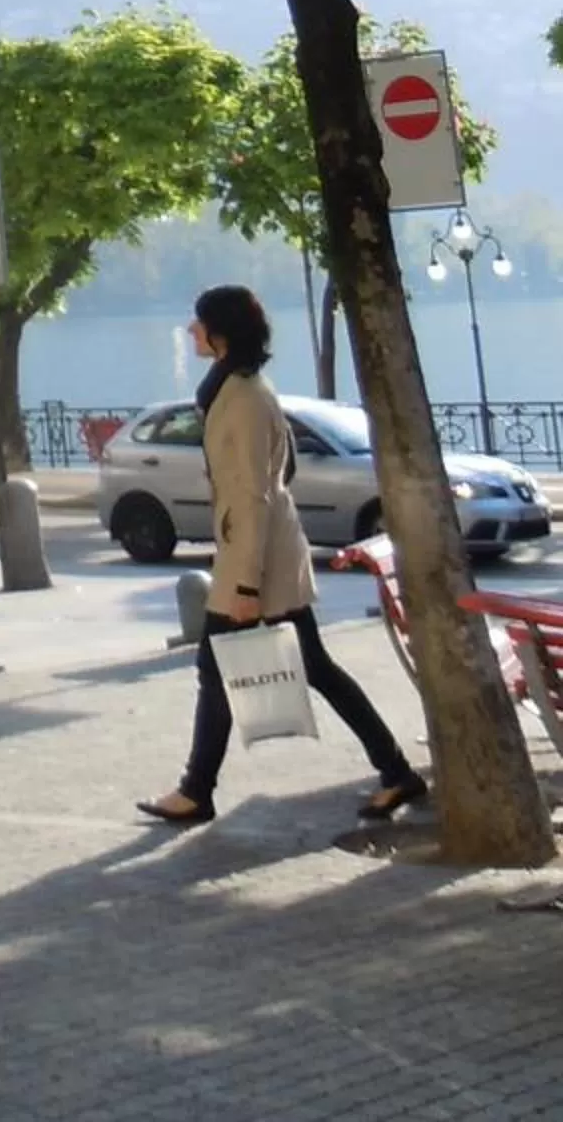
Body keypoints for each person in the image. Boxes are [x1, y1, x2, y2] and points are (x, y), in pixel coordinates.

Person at [137, 284, 426, 830]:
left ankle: (196, 791)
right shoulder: (242, 388)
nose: (191, 330)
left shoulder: (241, 398)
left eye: (198, 323)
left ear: (219, 334)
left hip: (256, 563)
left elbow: (253, 492)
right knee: (310, 668)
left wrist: (244, 586)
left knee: (218, 668)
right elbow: (281, 472)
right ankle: (395, 771)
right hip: (264, 554)